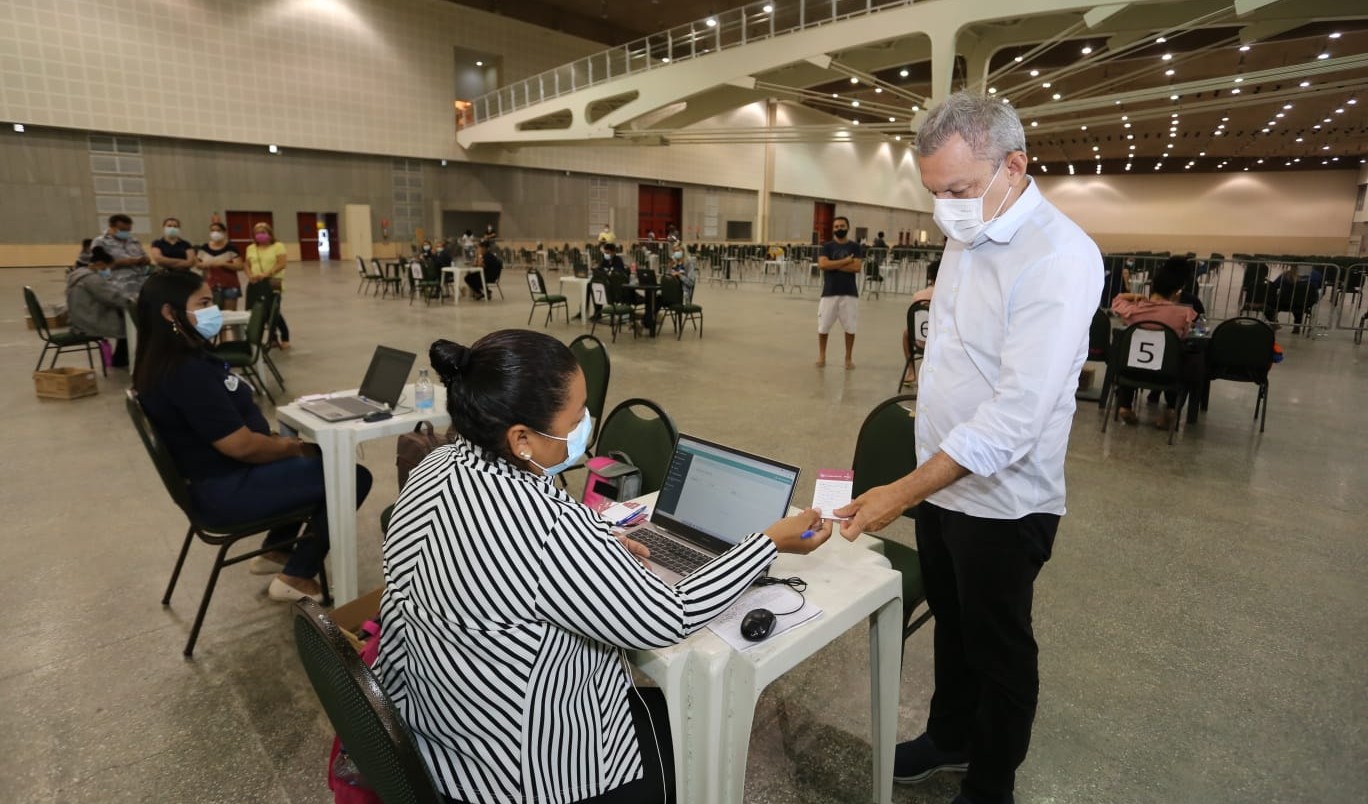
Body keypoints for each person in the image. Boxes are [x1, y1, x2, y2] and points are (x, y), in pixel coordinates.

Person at [373, 331, 831, 804]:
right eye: (576, 416)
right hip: (522, 770)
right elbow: (670, 615)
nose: (585, 425)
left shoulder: (438, 465)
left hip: (441, 734)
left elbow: (509, 556)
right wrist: (767, 542)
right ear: (522, 438)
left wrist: (593, 547)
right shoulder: (545, 530)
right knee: (701, 729)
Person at [834, 92, 1103, 804]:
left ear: (1013, 166)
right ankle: (949, 736)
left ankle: (992, 782)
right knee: (952, 628)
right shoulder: (970, 230)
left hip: (1005, 501)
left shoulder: (1059, 258)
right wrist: (924, 482)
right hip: (944, 487)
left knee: (998, 648)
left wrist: (902, 490)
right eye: (933, 193)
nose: (944, 208)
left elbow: (1018, 413)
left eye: (956, 190)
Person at [132, 271, 372, 601]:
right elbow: (240, 446)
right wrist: (292, 448)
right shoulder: (185, 372)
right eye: (202, 304)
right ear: (169, 313)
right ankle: (297, 576)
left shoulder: (173, 359)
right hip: (224, 491)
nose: (212, 310)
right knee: (350, 476)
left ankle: (278, 551)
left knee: (321, 463)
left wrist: (283, 445)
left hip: (216, 480)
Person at [1110, 257, 1201, 429]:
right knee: (1181, 358)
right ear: (1176, 293)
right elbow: (1185, 335)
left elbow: (1117, 300)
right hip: (1167, 374)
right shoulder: (1184, 314)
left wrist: (1134, 295)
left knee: (1131, 354)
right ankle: (1171, 410)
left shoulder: (1133, 311)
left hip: (1131, 372)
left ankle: (1125, 405)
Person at [66, 246, 137, 368]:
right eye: (107, 268)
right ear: (98, 264)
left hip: (79, 318)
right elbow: (112, 298)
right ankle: (120, 360)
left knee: (122, 319)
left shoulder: (78, 274)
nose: (108, 271)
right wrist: (133, 301)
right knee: (128, 325)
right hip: (87, 321)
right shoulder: (92, 279)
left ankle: (119, 358)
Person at [816, 215, 862, 369]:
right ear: (833, 229)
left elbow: (856, 268)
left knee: (850, 327)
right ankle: (822, 355)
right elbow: (822, 264)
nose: (839, 229)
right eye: (836, 227)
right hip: (829, 292)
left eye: (842, 226)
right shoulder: (827, 246)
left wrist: (833, 265)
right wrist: (846, 261)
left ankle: (848, 358)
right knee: (823, 327)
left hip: (849, 293)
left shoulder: (855, 247)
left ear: (847, 228)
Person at [245, 222, 289, 348]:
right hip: (255, 282)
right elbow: (246, 264)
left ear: (269, 234)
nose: (260, 235)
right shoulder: (251, 248)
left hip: (273, 281)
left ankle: (285, 336)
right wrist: (250, 275)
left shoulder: (278, 246)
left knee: (272, 311)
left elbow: (282, 263)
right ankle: (272, 339)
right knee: (259, 311)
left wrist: (267, 274)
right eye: (257, 233)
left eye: (263, 232)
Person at [91, 213, 152, 297]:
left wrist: (144, 260)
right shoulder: (100, 242)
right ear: (111, 227)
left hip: (139, 286)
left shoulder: (134, 241)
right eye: (122, 230)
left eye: (128, 230)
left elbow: (146, 257)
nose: (126, 233)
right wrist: (121, 262)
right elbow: (96, 267)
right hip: (115, 288)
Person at [902, 259, 940, 384]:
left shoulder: (918, 295)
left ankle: (911, 371)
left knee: (906, 333)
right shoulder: (948, 295)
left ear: (929, 276)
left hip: (919, 340)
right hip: (939, 342)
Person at [1264, 263, 1323, 334]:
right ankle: (1297, 325)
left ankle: (1274, 322)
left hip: (1283, 303)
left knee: (1266, 304)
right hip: (1305, 304)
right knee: (1300, 300)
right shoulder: (1316, 274)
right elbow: (1319, 287)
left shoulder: (1285, 275)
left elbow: (1274, 286)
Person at [198, 222, 245, 310]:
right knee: (212, 314)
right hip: (210, 285)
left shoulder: (231, 248)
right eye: (212, 230)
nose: (215, 233)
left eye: (218, 230)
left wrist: (223, 263)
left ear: (224, 232)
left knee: (229, 315)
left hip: (230, 285)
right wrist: (206, 264)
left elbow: (239, 266)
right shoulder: (204, 248)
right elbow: (198, 264)